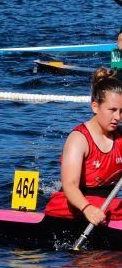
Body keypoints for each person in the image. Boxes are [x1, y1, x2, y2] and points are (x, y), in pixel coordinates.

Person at [43, 69, 122, 224]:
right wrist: (87, 208)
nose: (117, 117)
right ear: (95, 106)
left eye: (121, 111)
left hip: (107, 205)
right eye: (112, 110)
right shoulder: (78, 139)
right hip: (76, 206)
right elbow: (70, 185)